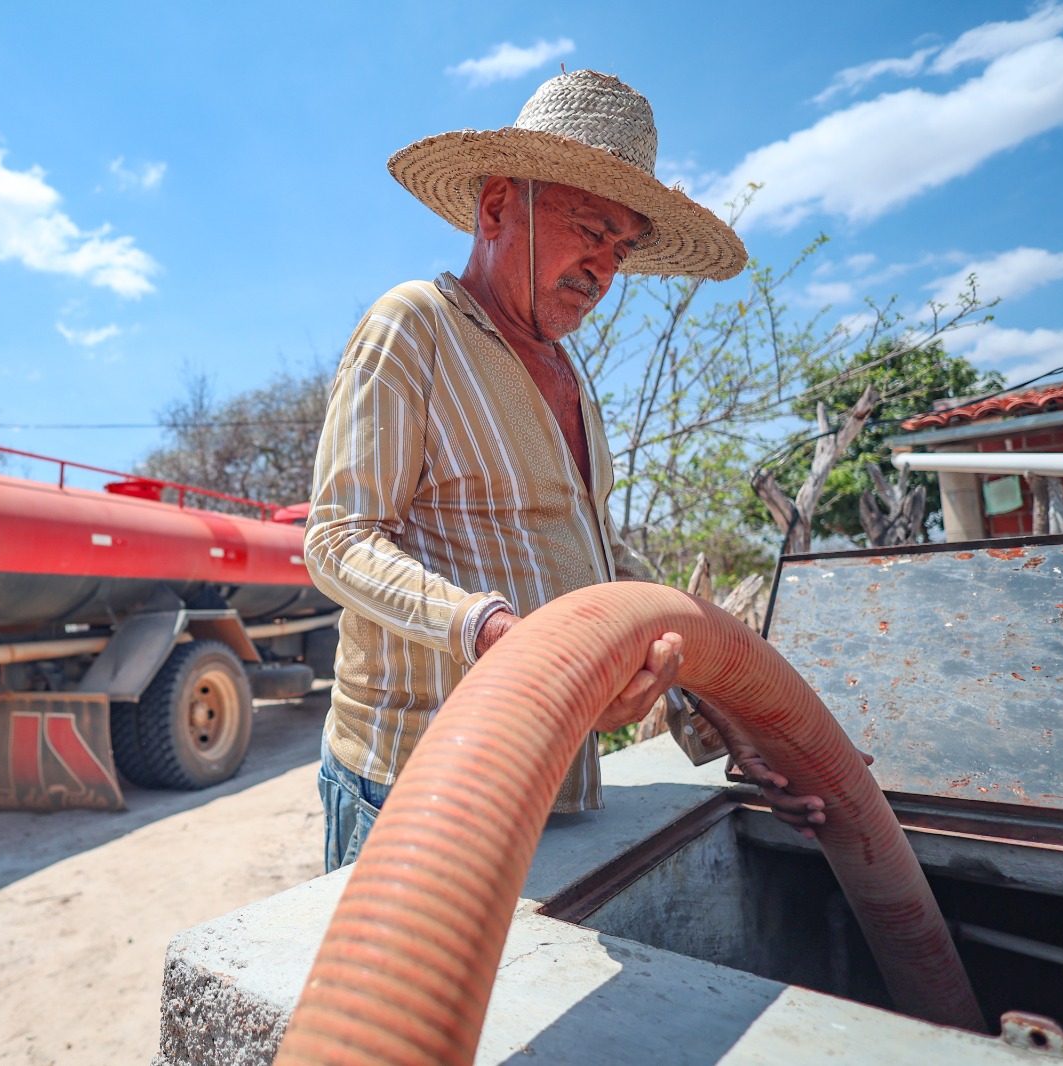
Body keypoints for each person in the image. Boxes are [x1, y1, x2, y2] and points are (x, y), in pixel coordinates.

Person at [306, 70, 846, 873]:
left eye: (621, 249)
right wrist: (503, 638)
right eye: (590, 230)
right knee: (412, 996)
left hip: (550, 780)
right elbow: (340, 541)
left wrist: (722, 714)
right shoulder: (414, 325)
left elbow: (595, 561)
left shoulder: (569, 374)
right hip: (418, 783)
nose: (604, 269)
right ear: (496, 208)